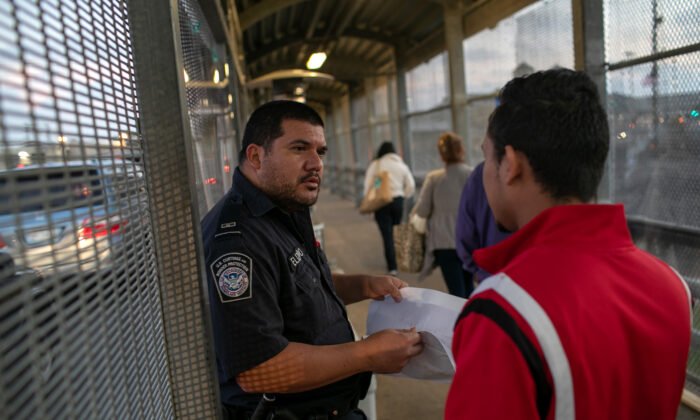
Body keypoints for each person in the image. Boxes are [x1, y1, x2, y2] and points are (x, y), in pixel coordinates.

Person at [446, 69, 692, 419]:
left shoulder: (501, 314)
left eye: (487, 156)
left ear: (510, 165)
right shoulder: (673, 287)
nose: (484, 170)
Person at [201, 100, 423, 419]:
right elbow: (257, 370)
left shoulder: (281, 210)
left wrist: (364, 285)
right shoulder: (238, 240)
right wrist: (366, 354)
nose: (315, 163)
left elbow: (294, 286)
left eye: (320, 152)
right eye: (299, 148)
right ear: (256, 156)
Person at [411, 132, 472, 297]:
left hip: (443, 242)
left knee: (456, 292)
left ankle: (460, 321)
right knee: (470, 289)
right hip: (469, 241)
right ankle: (472, 320)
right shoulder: (472, 175)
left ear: (441, 155)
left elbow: (422, 211)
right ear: (462, 151)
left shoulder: (434, 178)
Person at [455, 161, 510, 287]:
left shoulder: (481, 173)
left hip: (491, 277)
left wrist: (475, 269)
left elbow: (464, 233)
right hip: (541, 279)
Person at [362, 141, 415, 275]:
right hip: (398, 200)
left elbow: (368, 185)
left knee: (387, 234)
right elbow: (411, 186)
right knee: (398, 229)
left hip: (382, 202)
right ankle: (402, 260)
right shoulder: (401, 165)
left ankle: (392, 267)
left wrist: (370, 202)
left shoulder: (376, 165)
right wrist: (403, 195)